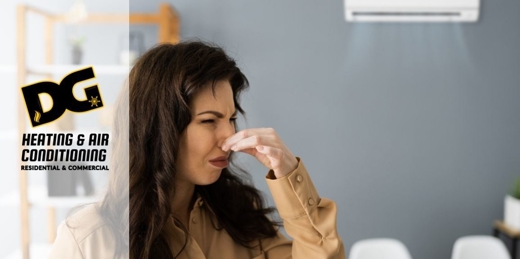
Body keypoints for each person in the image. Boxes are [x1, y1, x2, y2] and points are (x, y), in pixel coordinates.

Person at [49, 41, 345, 259]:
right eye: (209, 121)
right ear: (160, 128)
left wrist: (290, 175)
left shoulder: (239, 215)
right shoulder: (87, 240)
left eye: (230, 119)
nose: (229, 136)